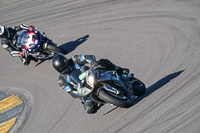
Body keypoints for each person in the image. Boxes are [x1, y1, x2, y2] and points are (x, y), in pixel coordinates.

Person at [52, 53, 130, 114]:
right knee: (89, 109)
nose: (63, 69)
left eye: (63, 66)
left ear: (66, 62)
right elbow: (70, 91)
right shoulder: (61, 80)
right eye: (60, 68)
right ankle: (102, 101)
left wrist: (93, 63)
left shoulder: (74, 59)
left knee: (103, 62)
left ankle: (119, 69)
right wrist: (77, 93)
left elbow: (88, 57)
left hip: (92, 75)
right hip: (84, 88)